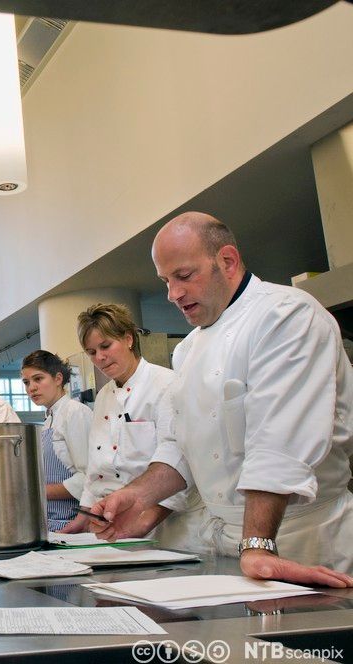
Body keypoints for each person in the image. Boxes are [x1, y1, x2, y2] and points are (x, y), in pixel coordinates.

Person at [91, 212, 353, 587]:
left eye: (184, 276)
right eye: (166, 281)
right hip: (234, 546)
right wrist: (136, 495)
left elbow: (278, 441)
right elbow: (178, 446)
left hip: (304, 540)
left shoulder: (286, 315)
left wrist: (259, 543)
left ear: (227, 260)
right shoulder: (187, 350)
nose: (172, 294)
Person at [63, 304, 198, 543]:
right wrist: (83, 517)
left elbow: (180, 461)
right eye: (91, 352)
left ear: (127, 339)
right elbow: (96, 467)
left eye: (106, 346)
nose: (100, 357)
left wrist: (145, 521)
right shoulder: (104, 395)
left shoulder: (167, 384)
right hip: (111, 524)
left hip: (164, 525)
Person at [20, 350, 93, 531]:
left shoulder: (75, 413)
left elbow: (89, 478)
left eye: (38, 379)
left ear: (58, 378)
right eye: (26, 382)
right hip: (52, 524)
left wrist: (37, 492)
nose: (31, 388)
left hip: (73, 523)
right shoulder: (49, 419)